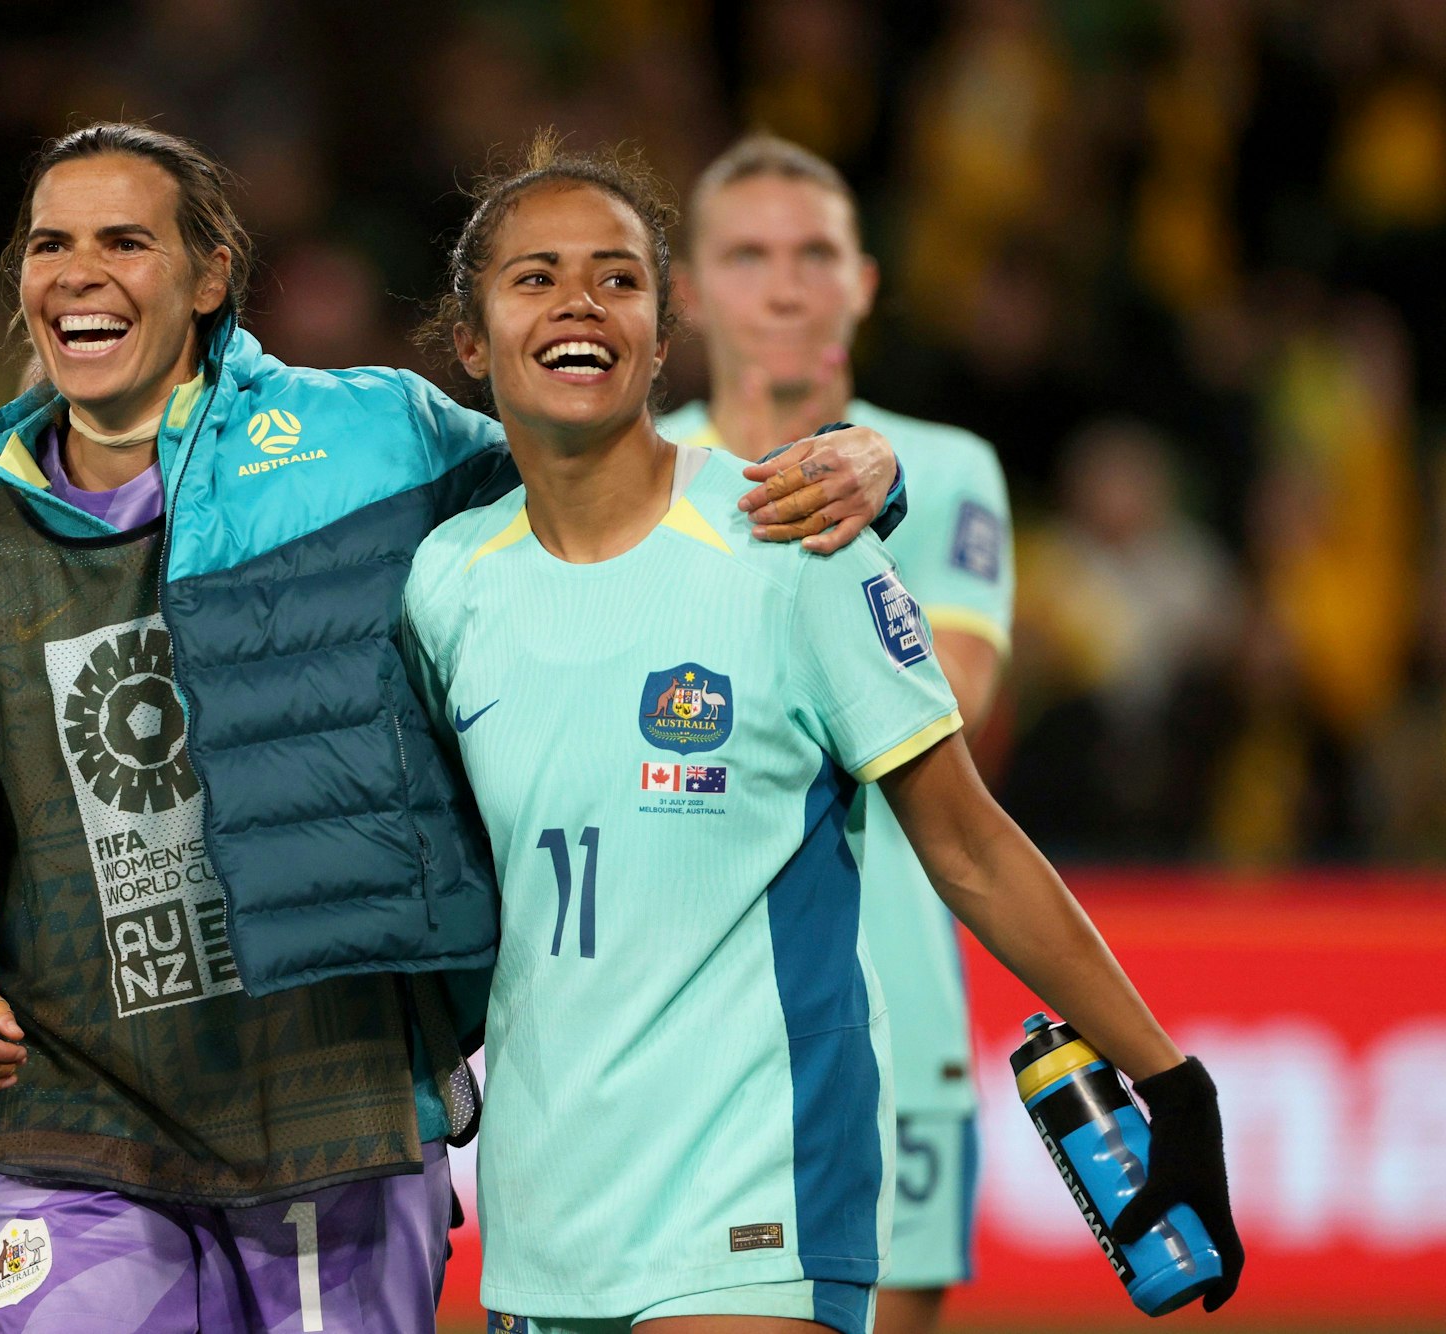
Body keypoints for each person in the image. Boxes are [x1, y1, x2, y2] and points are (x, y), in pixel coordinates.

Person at [0, 122, 903, 1334]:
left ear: (207, 276)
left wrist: (852, 474)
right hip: (68, 1129)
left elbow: (609, 480)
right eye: (51, 244)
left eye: (124, 241)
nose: (78, 271)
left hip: (332, 1123)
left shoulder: (371, 447)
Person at [400, 136, 1243, 1334]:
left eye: (616, 277)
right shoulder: (443, 582)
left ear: (660, 329)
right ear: (471, 339)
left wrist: (1170, 1078)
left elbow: (967, 844)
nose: (578, 301)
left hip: (757, 1194)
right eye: (533, 276)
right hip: (542, 1212)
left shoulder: (792, 544)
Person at [656, 134, 1012, 1334]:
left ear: (861, 281)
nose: (786, 283)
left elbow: (943, 700)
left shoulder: (947, 468)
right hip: (681, 1004)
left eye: (815, 252)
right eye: (747, 255)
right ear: (691, 291)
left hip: (894, 997)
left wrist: (873, 493)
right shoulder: (640, 480)